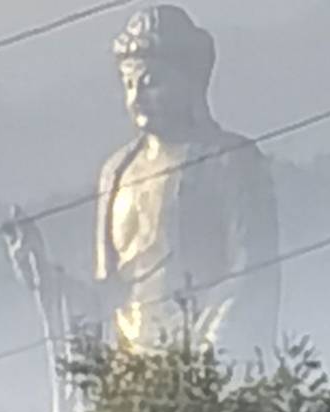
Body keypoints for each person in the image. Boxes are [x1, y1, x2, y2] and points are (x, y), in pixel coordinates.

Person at [95, 4, 281, 367]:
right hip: (130, 367)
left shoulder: (229, 160)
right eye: (128, 84)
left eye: (151, 83)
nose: (136, 98)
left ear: (190, 81)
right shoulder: (116, 171)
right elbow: (106, 291)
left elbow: (251, 271)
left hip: (204, 357)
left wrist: (205, 357)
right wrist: (46, 277)